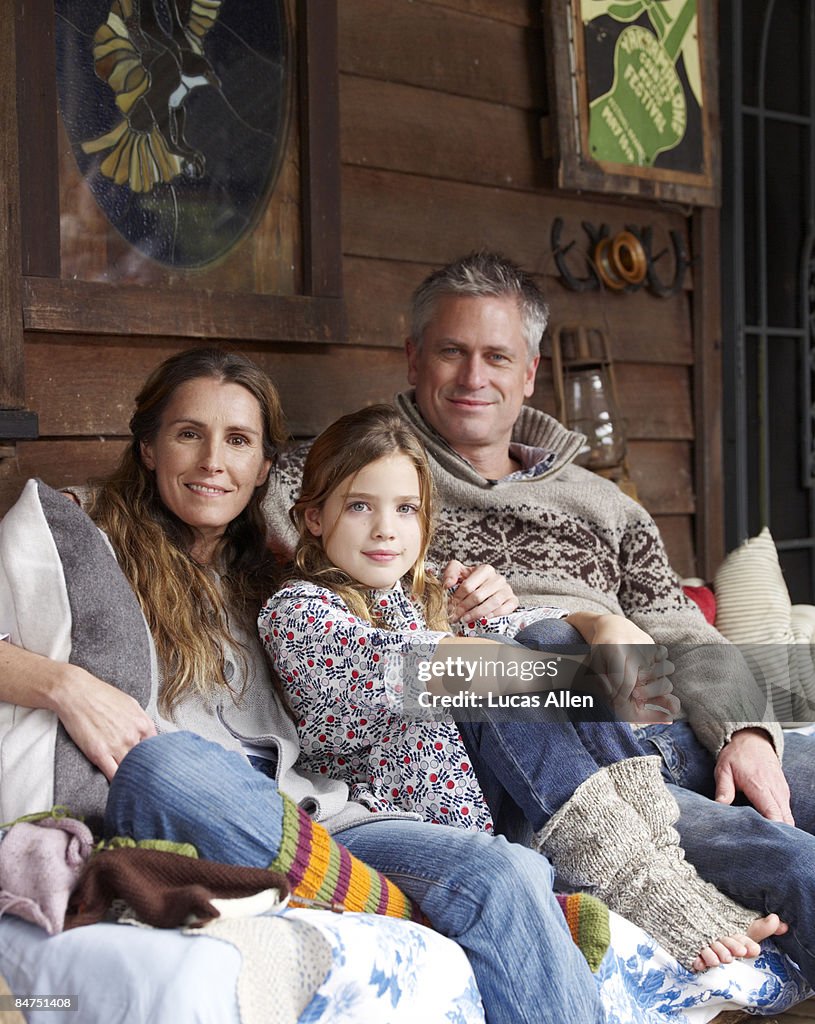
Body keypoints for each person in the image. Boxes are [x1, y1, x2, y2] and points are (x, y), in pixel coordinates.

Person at [0, 346, 610, 1024]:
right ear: (147, 448)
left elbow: (399, 624)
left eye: (237, 440)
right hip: (203, 806)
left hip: (329, 817)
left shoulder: (280, 577)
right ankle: (393, 898)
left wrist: (495, 607)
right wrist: (63, 685)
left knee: (506, 872)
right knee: (163, 766)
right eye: (187, 434)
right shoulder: (88, 541)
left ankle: (375, 894)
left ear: (264, 467)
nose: (212, 461)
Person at [261, 252, 815, 989]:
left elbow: (683, 630)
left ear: (529, 373)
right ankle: (651, 884)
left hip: (665, 725)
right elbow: (276, 525)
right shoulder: (365, 474)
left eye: (496, 357)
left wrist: (745, 729)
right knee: (796, 865)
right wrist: (577, 620)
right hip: (545, 741)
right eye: (451, 352)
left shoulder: (605, 505)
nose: (472, 377)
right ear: (412, 358)